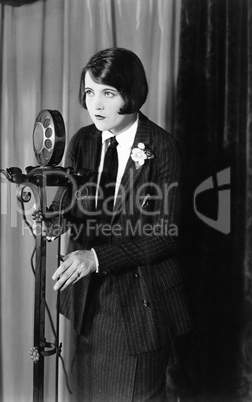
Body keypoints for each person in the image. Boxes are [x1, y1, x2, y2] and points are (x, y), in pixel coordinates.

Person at [35, 47, 193, 401]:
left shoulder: (162, 148)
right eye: (90, 93)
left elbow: (166, 237)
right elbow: (71, 207)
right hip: (87, 304)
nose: (97, 105)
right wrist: (52, 221)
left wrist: (95, 258)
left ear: (131, 94)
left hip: (140, 308)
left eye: (108, 93)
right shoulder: (82, 141)